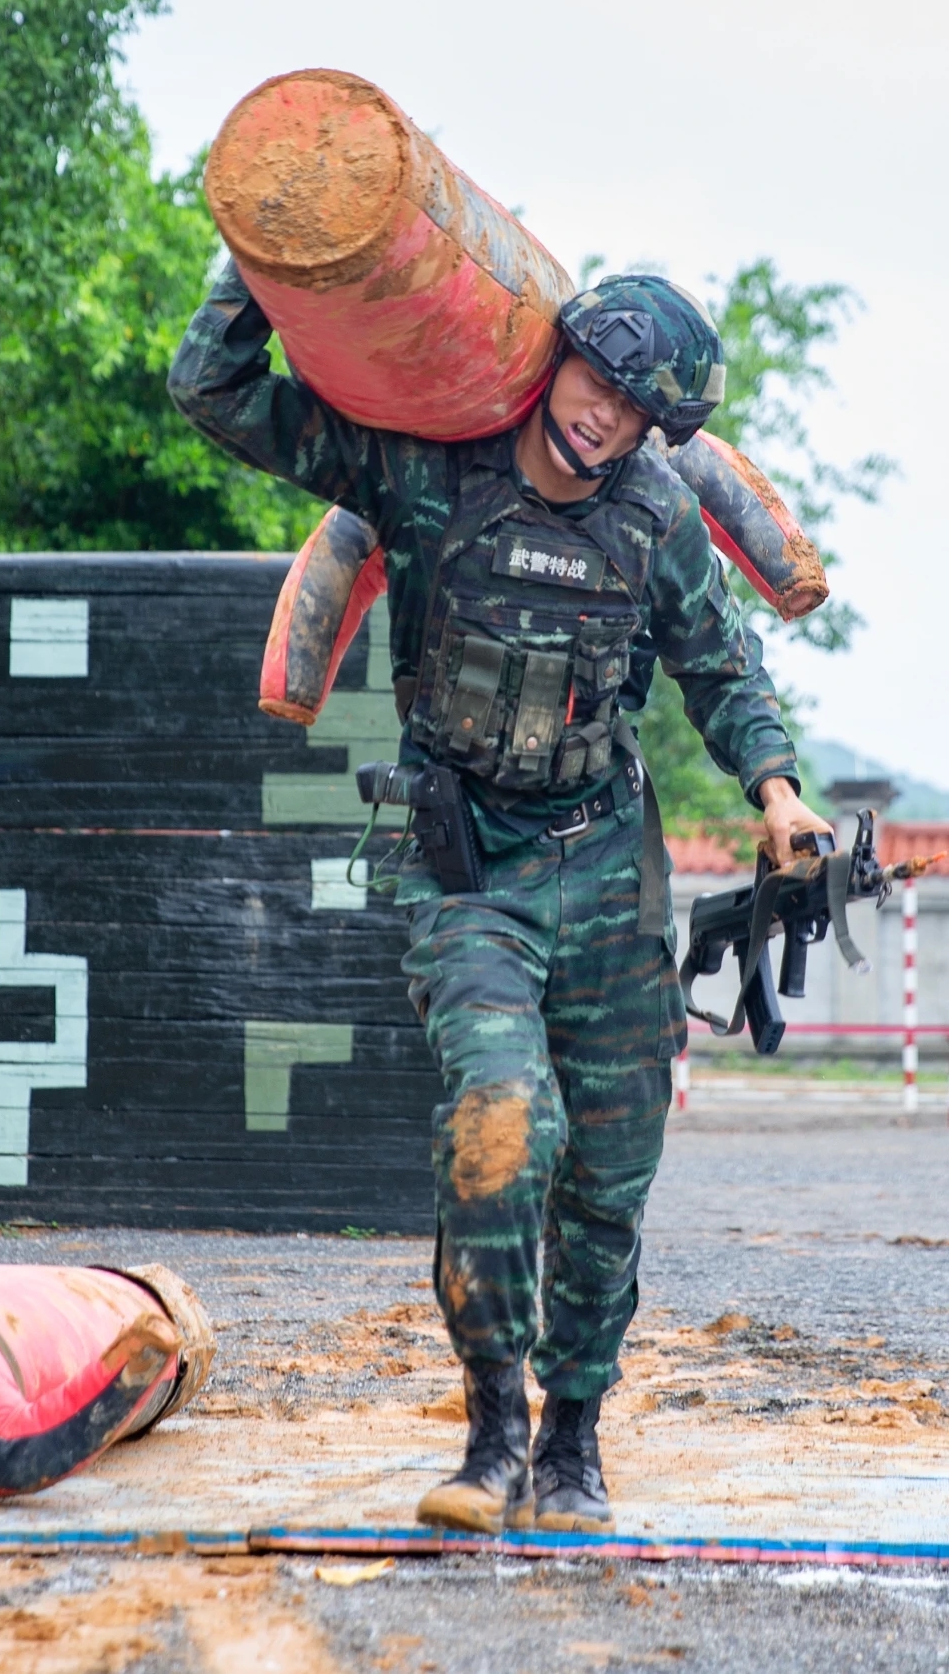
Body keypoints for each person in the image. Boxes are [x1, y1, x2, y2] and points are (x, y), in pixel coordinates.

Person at [168, 263, 832, 1536]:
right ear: (555, 357)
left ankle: (571, 1441)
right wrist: (254, 271)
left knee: (610, 1172)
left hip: (601, 861)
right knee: (497, 1122)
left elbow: (720, 667)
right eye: (597, 384)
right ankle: (489, 1436)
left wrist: (775, 787)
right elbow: (215, 390)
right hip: (468, 868)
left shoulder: (650, 517)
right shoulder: (424, 468)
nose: (604, 419)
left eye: (637, 412)